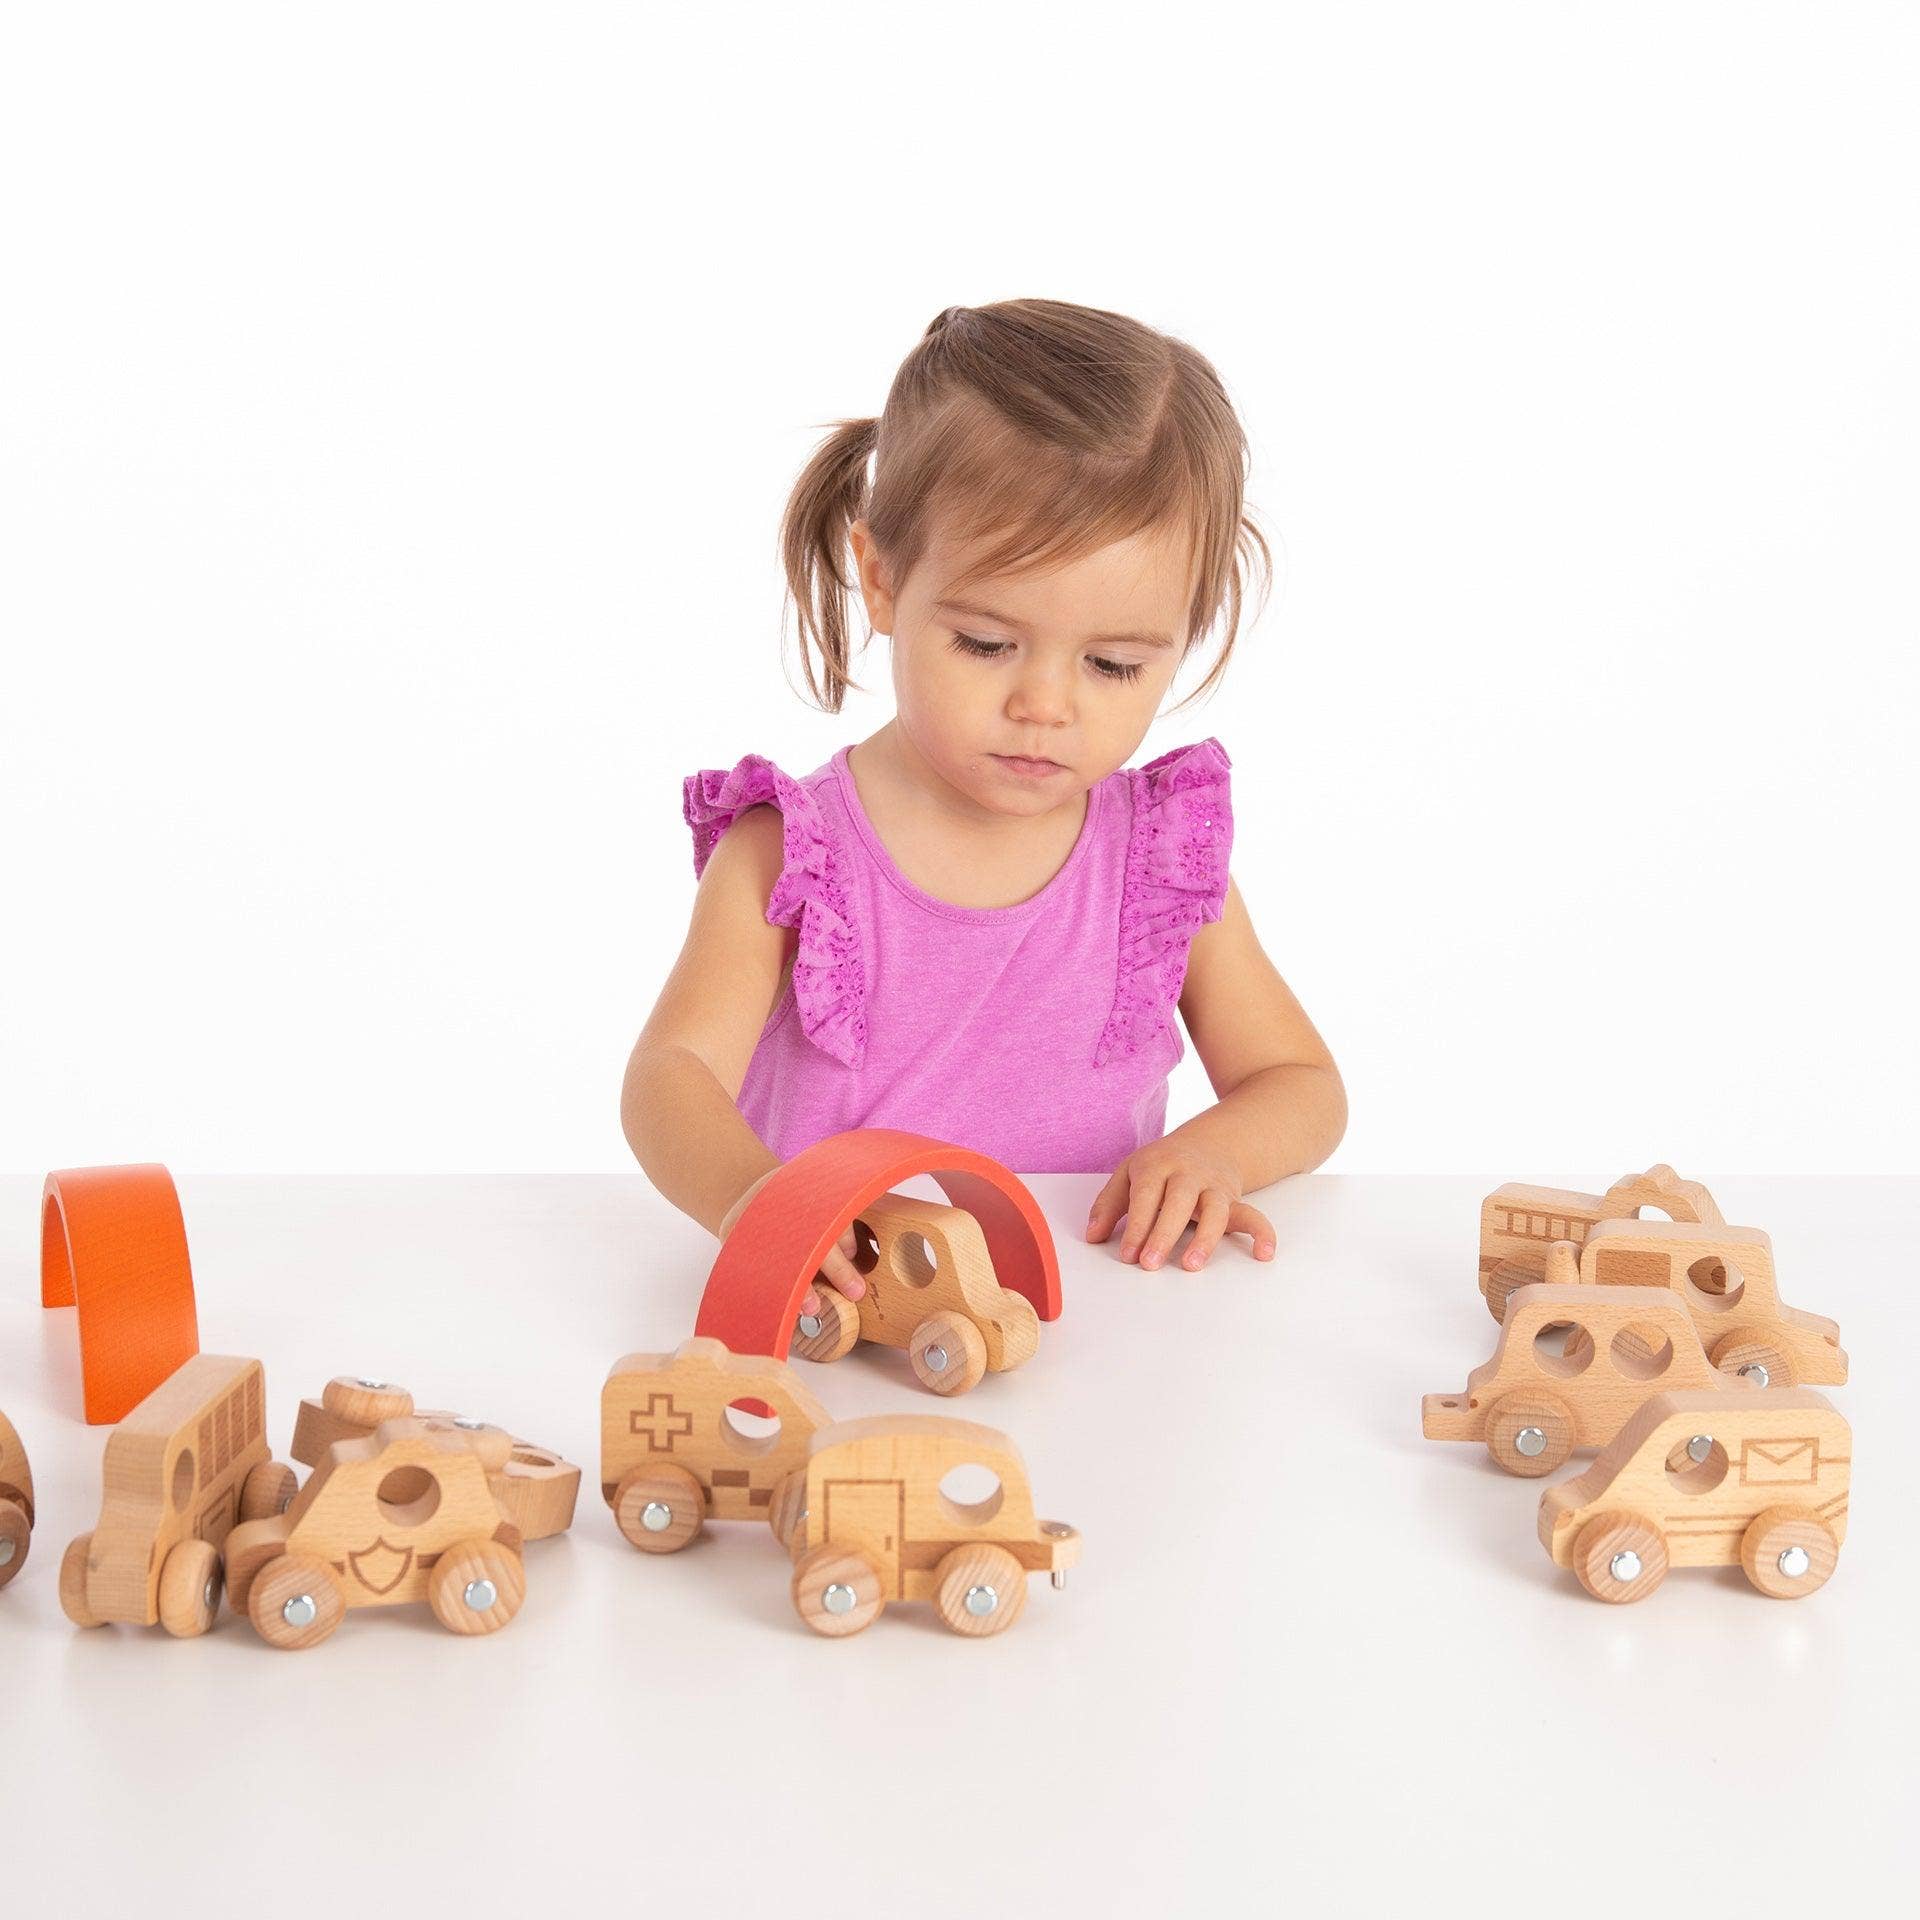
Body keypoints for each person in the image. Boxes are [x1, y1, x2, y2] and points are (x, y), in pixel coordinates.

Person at [622, 298, 1345, 1316]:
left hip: (1102, 1318)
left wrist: (1216, 1152)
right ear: (882, 580)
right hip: (843, 1309)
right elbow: (669, 1075)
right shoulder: (792, 854)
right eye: (987, 644)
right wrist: (762, 1204)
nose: (1044, 705)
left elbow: (1300, 1080)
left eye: (1112, 664)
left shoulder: (1157, 863)